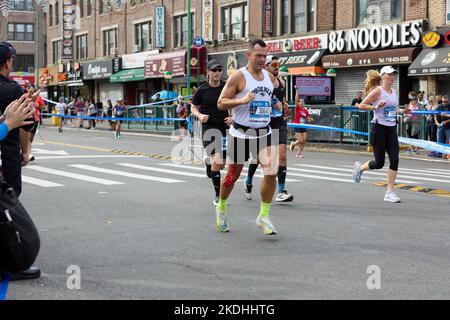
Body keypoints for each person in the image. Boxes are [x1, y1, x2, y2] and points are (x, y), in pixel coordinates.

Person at [216, 39, 283, 235]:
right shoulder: (238, 76)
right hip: (240, 133)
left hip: (264, 131)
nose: (263, 59)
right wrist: (242, 100)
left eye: (265, 55)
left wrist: (277, 104)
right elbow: (221, 103)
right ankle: (221, 206)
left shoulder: (270, 77)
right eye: (258, 55)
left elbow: (270, 96)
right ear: (249, 55)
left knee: (271, 173)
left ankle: (263, 216)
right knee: (232, 176)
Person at [0, 41, 41, 280]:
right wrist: (25, 151)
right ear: (7, 62)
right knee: (7, 210)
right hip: (8, 156)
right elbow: (27, 124)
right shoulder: (12, 90)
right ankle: (9, 260)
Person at [352, 66, 411, 203]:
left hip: (391, 129)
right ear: (383, 76)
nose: (392, 77)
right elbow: (360, 105)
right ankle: (360, 168)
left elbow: (393, 108)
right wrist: (375, 107)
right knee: (379, 163)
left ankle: (389, 192)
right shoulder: (378, 91)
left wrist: (402, 111)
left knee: (395, 159)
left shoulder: (394, 92)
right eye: (389, 74)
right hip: (378, 129)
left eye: (393, 74)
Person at [243, 55, 294, 203]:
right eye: (274, 64)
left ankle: (281, 190)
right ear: (266, 66)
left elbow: (281, 100)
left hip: (279, 122)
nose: (277, 67)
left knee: (282, 156)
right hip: (264, 123)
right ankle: (248, 180)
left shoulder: (282, 83)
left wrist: (284, 105)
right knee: (258, 158)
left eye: (278, 64)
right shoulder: (260, 83)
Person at [191, 59, 232, 205]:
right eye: (214, 70)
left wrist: (232, 117)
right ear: (208, 72)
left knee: (221, 164)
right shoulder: (202, 89)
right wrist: (200, 115)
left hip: (225, 127)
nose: (217, 73)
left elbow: (233, 103)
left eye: (219, 70)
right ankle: (218, 196)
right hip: (209, 128)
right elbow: (193, 107)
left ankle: (209, 164)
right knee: (218, 160)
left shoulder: (227, 86)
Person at [290, 91, 313, 158]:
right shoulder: (297, 108)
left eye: (303, 101)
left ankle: (299, 153)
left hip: (303, 126)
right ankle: (293, 144)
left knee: (304, 140)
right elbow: (296, 99)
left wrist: (310, 119)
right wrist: (297, 91)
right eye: (300, 101)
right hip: (297, 125)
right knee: (300, 140)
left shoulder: (305, 110)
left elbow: (308, 118)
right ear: (299, 103)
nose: (302, 102)